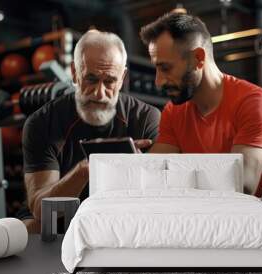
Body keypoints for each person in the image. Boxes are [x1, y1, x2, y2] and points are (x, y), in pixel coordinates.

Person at [139, 12, 262, 197]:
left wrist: (171, 174)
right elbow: (153, 177)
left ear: (198, 58)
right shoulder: (174, 111)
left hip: (261, 221)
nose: (158, 81)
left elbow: (240, 186)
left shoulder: (256, 104)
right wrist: (136, 167)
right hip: (206, 217)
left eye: (165, 68)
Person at [22, 30, 160, 232]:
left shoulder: (146, 118)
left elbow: (162, 198)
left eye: (110, 81)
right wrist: (86, 170)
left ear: (122, 78)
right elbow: (42, 210)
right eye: (91, 79)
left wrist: (139, 172)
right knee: (31, 227)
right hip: (60, 220)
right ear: (75, 73)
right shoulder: (41, 122)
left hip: (119, 215)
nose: (99, 93)